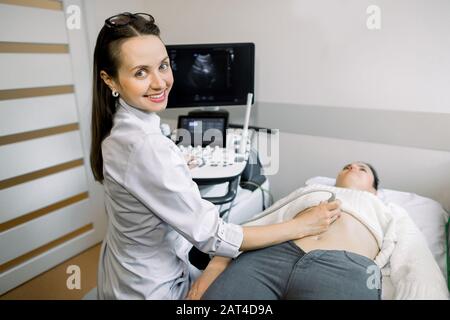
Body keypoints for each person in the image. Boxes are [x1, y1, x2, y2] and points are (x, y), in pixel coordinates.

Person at [89, 12, 342, 300]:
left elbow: (138, 170)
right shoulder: (145, 146)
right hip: (151, 288)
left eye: (163, 66)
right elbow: (214, 236)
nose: (160, 83)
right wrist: (302, 225)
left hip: (124, 272)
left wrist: (172, 164)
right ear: (110, 80)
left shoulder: (123, 127)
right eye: (140, 72)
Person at [188, 162, 448, 300]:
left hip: (344, 268)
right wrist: (214, 268)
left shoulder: (387, 208)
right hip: (268, 259)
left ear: (374, 189)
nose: (352, 168)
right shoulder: (307, 193)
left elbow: (417, 263)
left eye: (362, 168)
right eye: (347, 165)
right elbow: (257, 224)